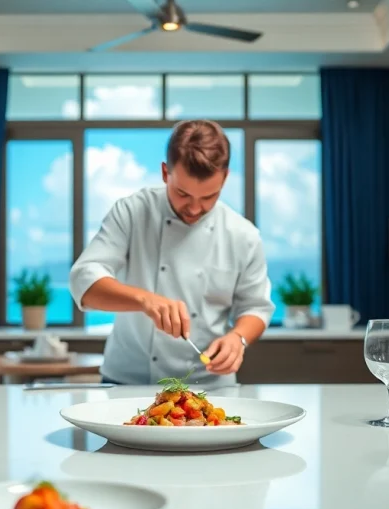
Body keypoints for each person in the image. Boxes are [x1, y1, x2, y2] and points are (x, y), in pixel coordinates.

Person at [69, 119, 274, 386]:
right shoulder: (132, 212)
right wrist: (144, 300)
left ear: (225, 177)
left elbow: (256, 306)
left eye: (209, 197)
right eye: (183, 194)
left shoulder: (243, 235)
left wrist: (238, 338)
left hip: (209, 386)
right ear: (166, 172)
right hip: (128, 383)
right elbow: (84, 280)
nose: (194, 208)